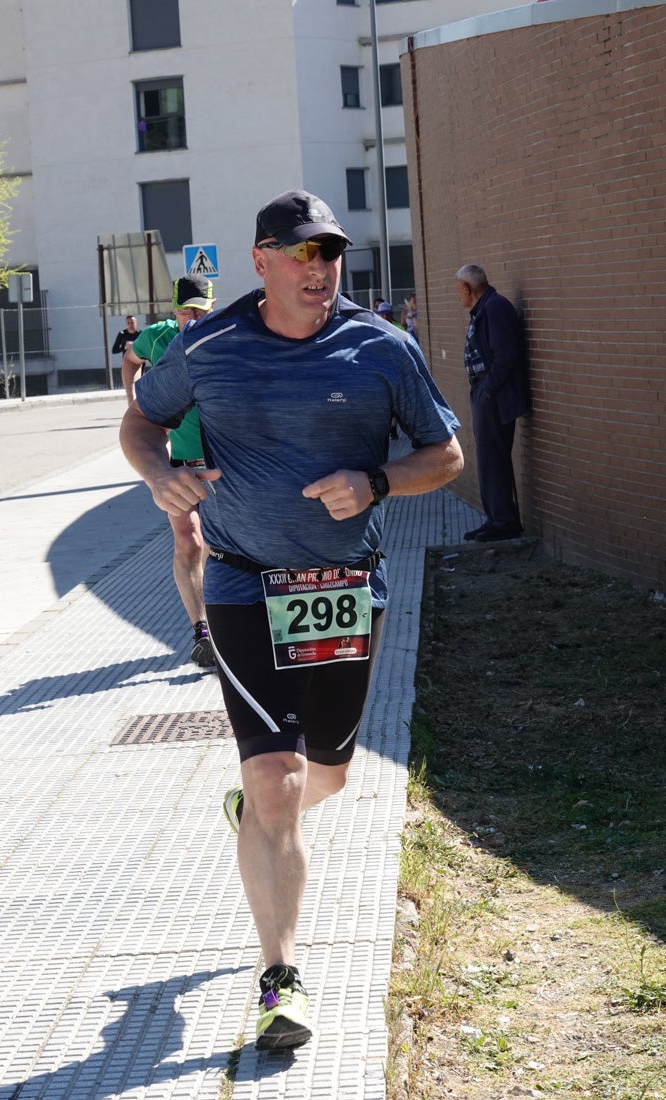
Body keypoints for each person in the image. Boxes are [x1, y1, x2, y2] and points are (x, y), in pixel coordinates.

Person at [120, 188, 463, 1051]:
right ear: (262, 260)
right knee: (278, 782)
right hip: (241, 586)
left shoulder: (381, 347)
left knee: (326, 779)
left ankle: (261, 815)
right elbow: (140, 419)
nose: (319, 269)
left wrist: (379, 482)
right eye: (301, 254)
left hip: (343, 588)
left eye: (330, 253)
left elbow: (445, 453)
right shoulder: (210, 344)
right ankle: (281, 978)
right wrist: (158, 476)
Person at [121, 275, 216, 667]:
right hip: (179, 464)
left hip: (222, 463)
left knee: (219, 545)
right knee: (189, 541)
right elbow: (130, 358)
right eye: (183, 311)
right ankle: (202, 632)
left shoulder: (224, 336)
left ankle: (228, 618)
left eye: (199, 311)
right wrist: (131, 401)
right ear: (171, 309)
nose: (191, 318)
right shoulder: (158, 338)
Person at [455, 263, 530, 542]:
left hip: (493, 396)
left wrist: (488, 391)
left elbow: (506, 354)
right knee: (487, 459)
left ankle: (504, 521)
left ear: (467, 288)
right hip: (485, 393)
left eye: (458, 290)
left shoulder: (495, 307)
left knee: (494, 458)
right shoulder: (484, 309)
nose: (457, 296)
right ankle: (495, 518)